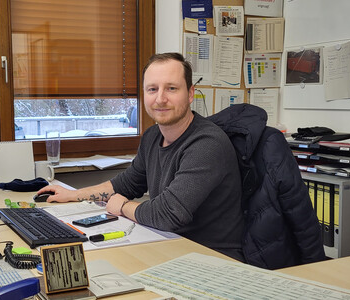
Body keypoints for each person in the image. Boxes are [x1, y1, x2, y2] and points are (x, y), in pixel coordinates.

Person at [37, 53, 244, 260]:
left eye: (171, 88)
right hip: (170, 244)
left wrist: (124, 206)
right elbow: (125, 184)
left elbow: (168, 214)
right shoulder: (153, 136)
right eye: (152, 89)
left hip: (212, 258)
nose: (160, 98)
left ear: (190, 94)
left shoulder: (207, 144)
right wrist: (72, 195)